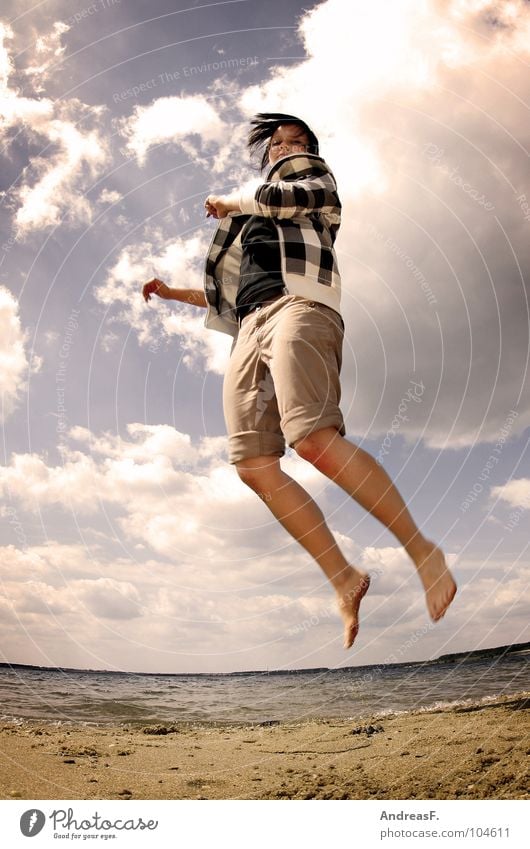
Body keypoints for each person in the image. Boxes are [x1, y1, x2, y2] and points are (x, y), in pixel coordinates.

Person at [142, 112, 457, 649]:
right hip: (250, 326)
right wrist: (173, 293)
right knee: (253, 464)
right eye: (279, 143)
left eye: (297, 141)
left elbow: (283, 199)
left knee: (311, 437)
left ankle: (422, 549)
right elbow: (228, 295)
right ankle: (344, 578)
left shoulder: (313, 184)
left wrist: (235, 199)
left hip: (300, 306)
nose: (288, 148)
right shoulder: (246, 226)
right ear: (265, 155)